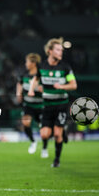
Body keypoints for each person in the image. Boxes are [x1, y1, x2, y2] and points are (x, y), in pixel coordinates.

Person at [28, 37, 77, 167]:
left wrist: (62, 87)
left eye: (61, 50)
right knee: (44, 135)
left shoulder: (65, 67)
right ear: (50, 51)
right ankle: (62, 130)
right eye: (58, 50)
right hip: (47, 106)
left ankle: (56, 160)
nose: (60, 52)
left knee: (56, 134)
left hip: (61, 105)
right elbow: (35, 79)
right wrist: (32, 90)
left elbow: (73, 85)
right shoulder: (42, 66)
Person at [16, 53, 43, 155]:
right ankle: (33, 141)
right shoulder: (24, 74)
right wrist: (18, 93)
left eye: (27, 61)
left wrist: (41, 90)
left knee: (45, 129)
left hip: (41, 105)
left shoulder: (41, 75)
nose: (26, 64)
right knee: (25, 123)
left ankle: (44, 147)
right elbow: (19, 83)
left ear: (33, 63)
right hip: (28, 105)